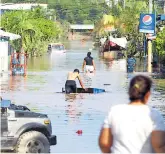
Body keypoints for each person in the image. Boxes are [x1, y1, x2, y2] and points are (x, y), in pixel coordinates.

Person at [99, 75, 165, 153]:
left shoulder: (115, 111)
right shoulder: (154, 115)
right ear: (148, 94)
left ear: (129, 92)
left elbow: (104, 143)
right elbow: (158, 145)